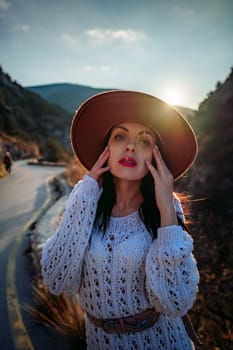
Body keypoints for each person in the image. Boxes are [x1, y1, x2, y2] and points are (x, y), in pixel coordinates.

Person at [41, 90, 200, 350]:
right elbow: (56, 279)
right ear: (107, 149)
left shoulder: (167, 208)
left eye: (144, 141)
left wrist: (167, 213)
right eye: (120, 136)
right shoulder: (87, 203)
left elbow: (175, 302)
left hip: (164, 342)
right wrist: (87, 189)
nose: (130, 146)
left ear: (155, 156)